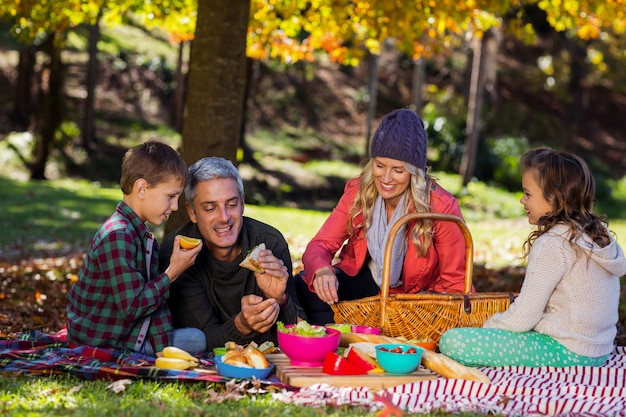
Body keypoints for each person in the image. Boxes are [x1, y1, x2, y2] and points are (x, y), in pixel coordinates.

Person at [439, 147, 626, 367]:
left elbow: (523, 318)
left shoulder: (553, 243)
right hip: (599, 351)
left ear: (556, 198)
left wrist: (487, 328)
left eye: (527, 194)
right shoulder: (595, 234)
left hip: (568, 351)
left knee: (452, 341)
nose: (521, 200)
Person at [295, 108, 469, 325]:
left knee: (331, 318)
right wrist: (322, 271)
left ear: (415, 172)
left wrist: (428, 316)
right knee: (300, 290)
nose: (386, 178)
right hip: (366, 280)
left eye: (398, 170)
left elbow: (456, 282)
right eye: (379, 166)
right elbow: (321, 244)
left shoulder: (441, 207)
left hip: (414, 297)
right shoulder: (359, 190)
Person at [67, 140, 206, 356]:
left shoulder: (138, 234)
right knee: (197, 340)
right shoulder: (118, 235)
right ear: (142, 188)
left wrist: (162, 349)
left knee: (193, 337)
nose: (175, 206)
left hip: (125, 331)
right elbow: (133, 307)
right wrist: (172, 272)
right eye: (171, 196)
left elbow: (154, 305)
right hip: (104, 340)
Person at [158, 157, 304, 351]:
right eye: (210, 208)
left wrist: (280, 299)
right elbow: (200, 340)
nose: (224, 217)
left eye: (232, 204)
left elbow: (303, 331)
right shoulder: (178, 253)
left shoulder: (270, 242)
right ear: (192, 212)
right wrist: (241, 326)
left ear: (242, 203)